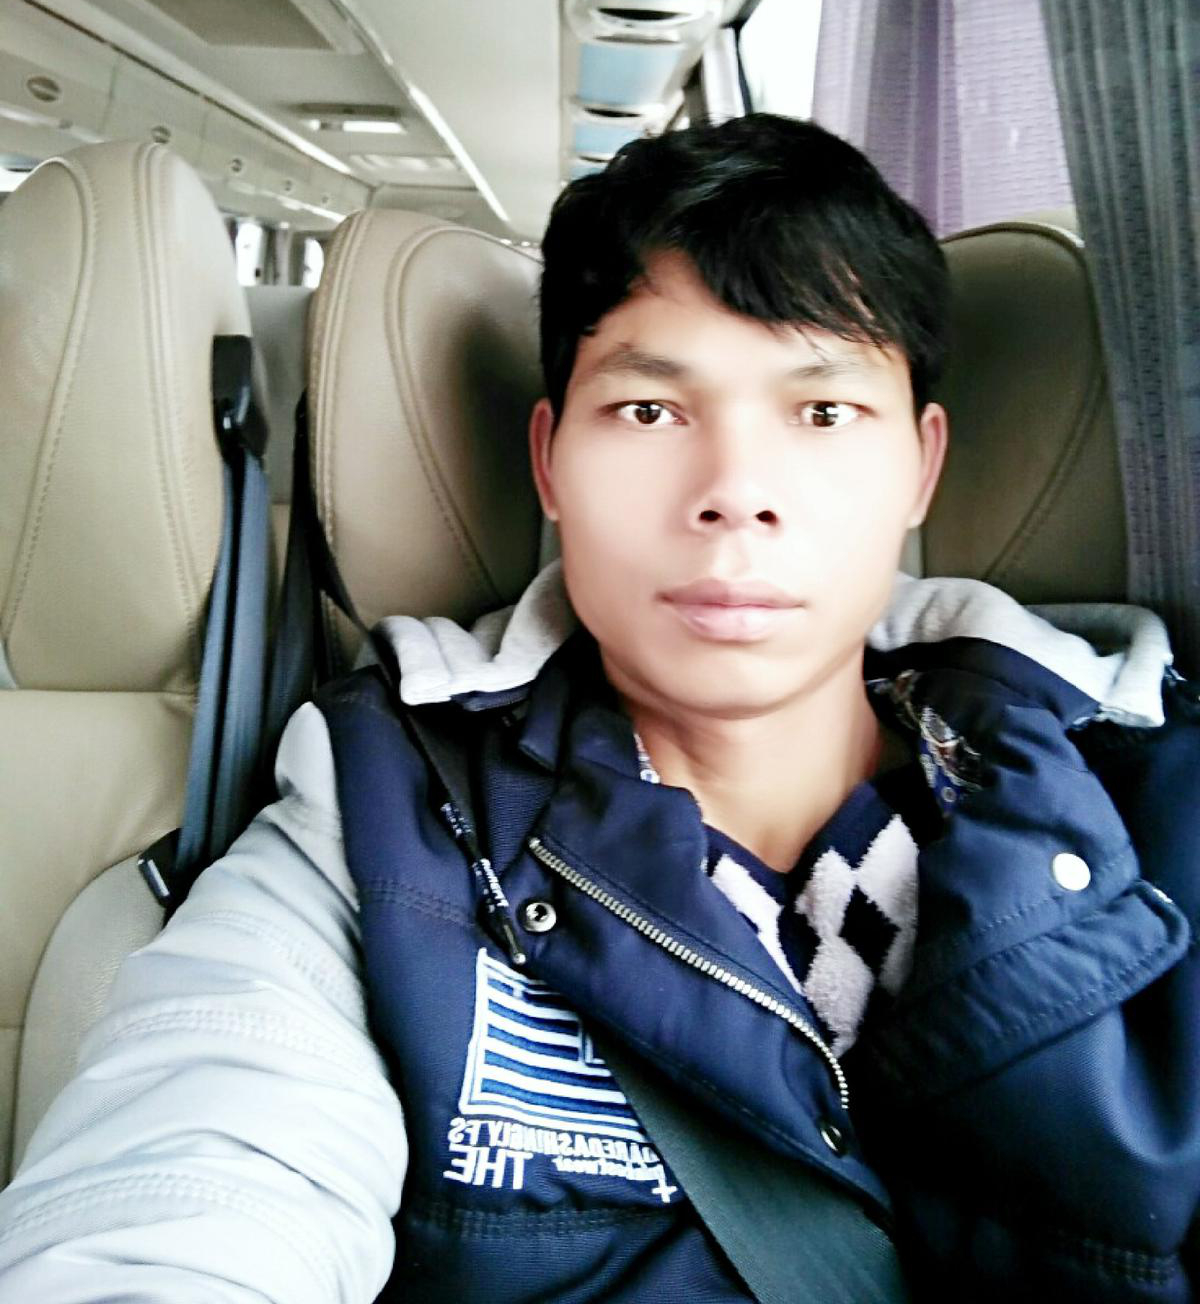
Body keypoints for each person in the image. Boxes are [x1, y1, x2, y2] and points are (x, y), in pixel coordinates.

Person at [0, 114, 1197, 1303]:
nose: (736, 492)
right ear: (550, 463)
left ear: (921, 467)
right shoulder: (383, 816)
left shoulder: (1146, 793)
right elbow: (195, 1174)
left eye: (823, 412)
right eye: (649, 410)